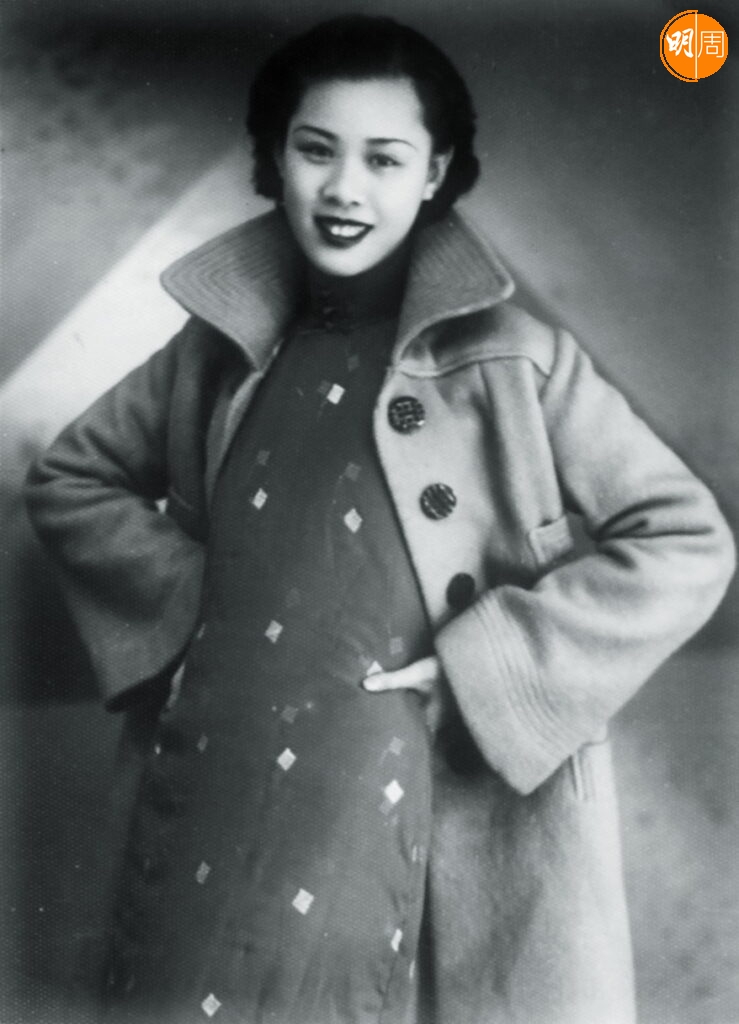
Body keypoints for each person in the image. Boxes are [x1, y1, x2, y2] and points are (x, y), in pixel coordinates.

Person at [25, 14, 734, 1024]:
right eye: (315, 150)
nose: (344, 189)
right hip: (222, 771)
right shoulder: (218, 344)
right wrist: (196, 618)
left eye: (384, 159)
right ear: (275, 158)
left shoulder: (515, 358)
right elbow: (73, 477)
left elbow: (685, 539)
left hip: (409, 778)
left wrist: (490, 671)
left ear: (435, 171)